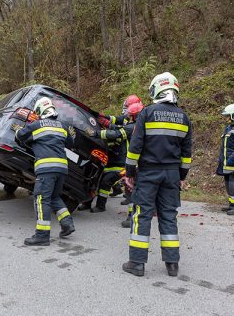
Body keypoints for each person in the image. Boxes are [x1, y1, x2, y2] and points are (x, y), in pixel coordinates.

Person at [122, 72, 192, 277]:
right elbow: (186, 155)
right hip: (171, 174)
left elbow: (135, 147)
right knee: (168, 216)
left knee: (141, 215)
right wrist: (181, 176)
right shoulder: (184, 117)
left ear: (157, 89)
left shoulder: (147, 113)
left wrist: (129, 172)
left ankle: (136, 263)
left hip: (148, 172)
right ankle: (172, 263)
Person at [13, 97, 76, 246]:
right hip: (61, 169)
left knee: (41, 199)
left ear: (40, 111)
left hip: (46, 169)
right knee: (54, 197)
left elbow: (20, 137)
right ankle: (67, 224)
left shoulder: (36, 125)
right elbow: (71, 143)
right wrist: (71, 134)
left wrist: (18, 130)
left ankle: (42, 235)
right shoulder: (62, 127)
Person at [80, 101, 144, 214]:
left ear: (134, 116)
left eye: (130, 114)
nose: (127, 116)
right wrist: (105, 120)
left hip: (127, 163)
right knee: (100, 178)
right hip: (127, 161)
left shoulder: (132, 127)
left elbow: (117, 134)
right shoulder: (137, 125)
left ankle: (104, 207)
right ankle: (90, 203)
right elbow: (118, 123)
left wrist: (96, 133)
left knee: (107, 180)